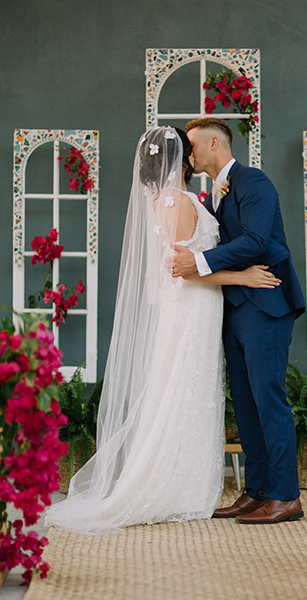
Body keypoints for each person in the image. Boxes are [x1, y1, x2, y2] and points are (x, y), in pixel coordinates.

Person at [45, 126, 280, 534]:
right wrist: (242, 278)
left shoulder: (184, 198)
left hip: (204, 311)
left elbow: (194, 260)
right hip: (191, 308)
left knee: (194, 392)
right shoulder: (172, 200)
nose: (190, 154)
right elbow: (181, 272)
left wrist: (234, 274)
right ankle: (172, 486)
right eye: (184, 148)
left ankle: (192, 483)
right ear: (175, 158)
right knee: (182, 390)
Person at [171, 117, 306, 524]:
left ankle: (286, 496)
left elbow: (257, 241)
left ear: (215, 143)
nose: (188, 155)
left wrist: (198, 261)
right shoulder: (215, 194)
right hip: (233, 307)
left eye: (192, 146)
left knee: (268, 399)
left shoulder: (254, 181)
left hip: (265, 302)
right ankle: (257, 490)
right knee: (246, 405)